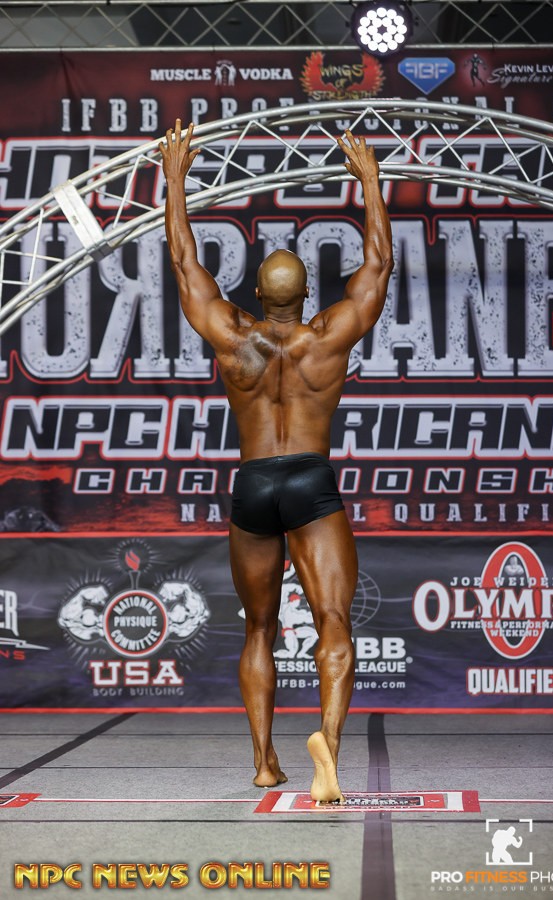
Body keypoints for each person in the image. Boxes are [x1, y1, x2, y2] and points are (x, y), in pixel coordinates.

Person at [160, 119, 393, 802]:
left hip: (254, 484)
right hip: (310, 480)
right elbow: (378, 266)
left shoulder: (236, 336)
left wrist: (175, 180)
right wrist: (370, 182)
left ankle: (264, 761)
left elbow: (184, 263)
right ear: (307, 295)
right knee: (334, 623)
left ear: (258, 296)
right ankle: (330, 751)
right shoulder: (328, 336)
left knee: (258, 626)